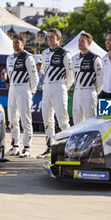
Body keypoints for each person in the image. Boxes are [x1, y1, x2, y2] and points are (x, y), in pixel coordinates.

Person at [38, 28, 74, 158]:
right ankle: (49, 147)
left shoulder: (65, 54)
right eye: (48, 37)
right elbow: (43, 71)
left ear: (59, 39)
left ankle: (67, 149)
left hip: (59, 86)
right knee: (47, 119)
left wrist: (64, 86)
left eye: (52, 37)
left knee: (63, 120)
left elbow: (70, 75)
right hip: (46, 88)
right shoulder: (44, 53)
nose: (49, 39)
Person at [5, 34, 39, 158]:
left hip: (24, 88)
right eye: (13, 42)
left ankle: (27, 147)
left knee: (25, 119)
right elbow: (9, 75)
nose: (15, 44)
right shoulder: (9, 58)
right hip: (13, 88)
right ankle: (15, 146)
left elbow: (34, 77)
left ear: (23, 44)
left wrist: (31, 91)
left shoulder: (28, 57)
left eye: (17, 42)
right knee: (12, 118)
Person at [72, 32, 103, 124]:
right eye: (79, 41)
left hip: (89, 91)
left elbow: (100, 78)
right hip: (77, 91)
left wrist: (94, 91)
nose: (80, 43)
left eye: (83, 41)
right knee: (77, 120)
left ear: (89, 43)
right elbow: (74, 76)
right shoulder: (74, 58)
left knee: (90, 121)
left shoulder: (95, 58)